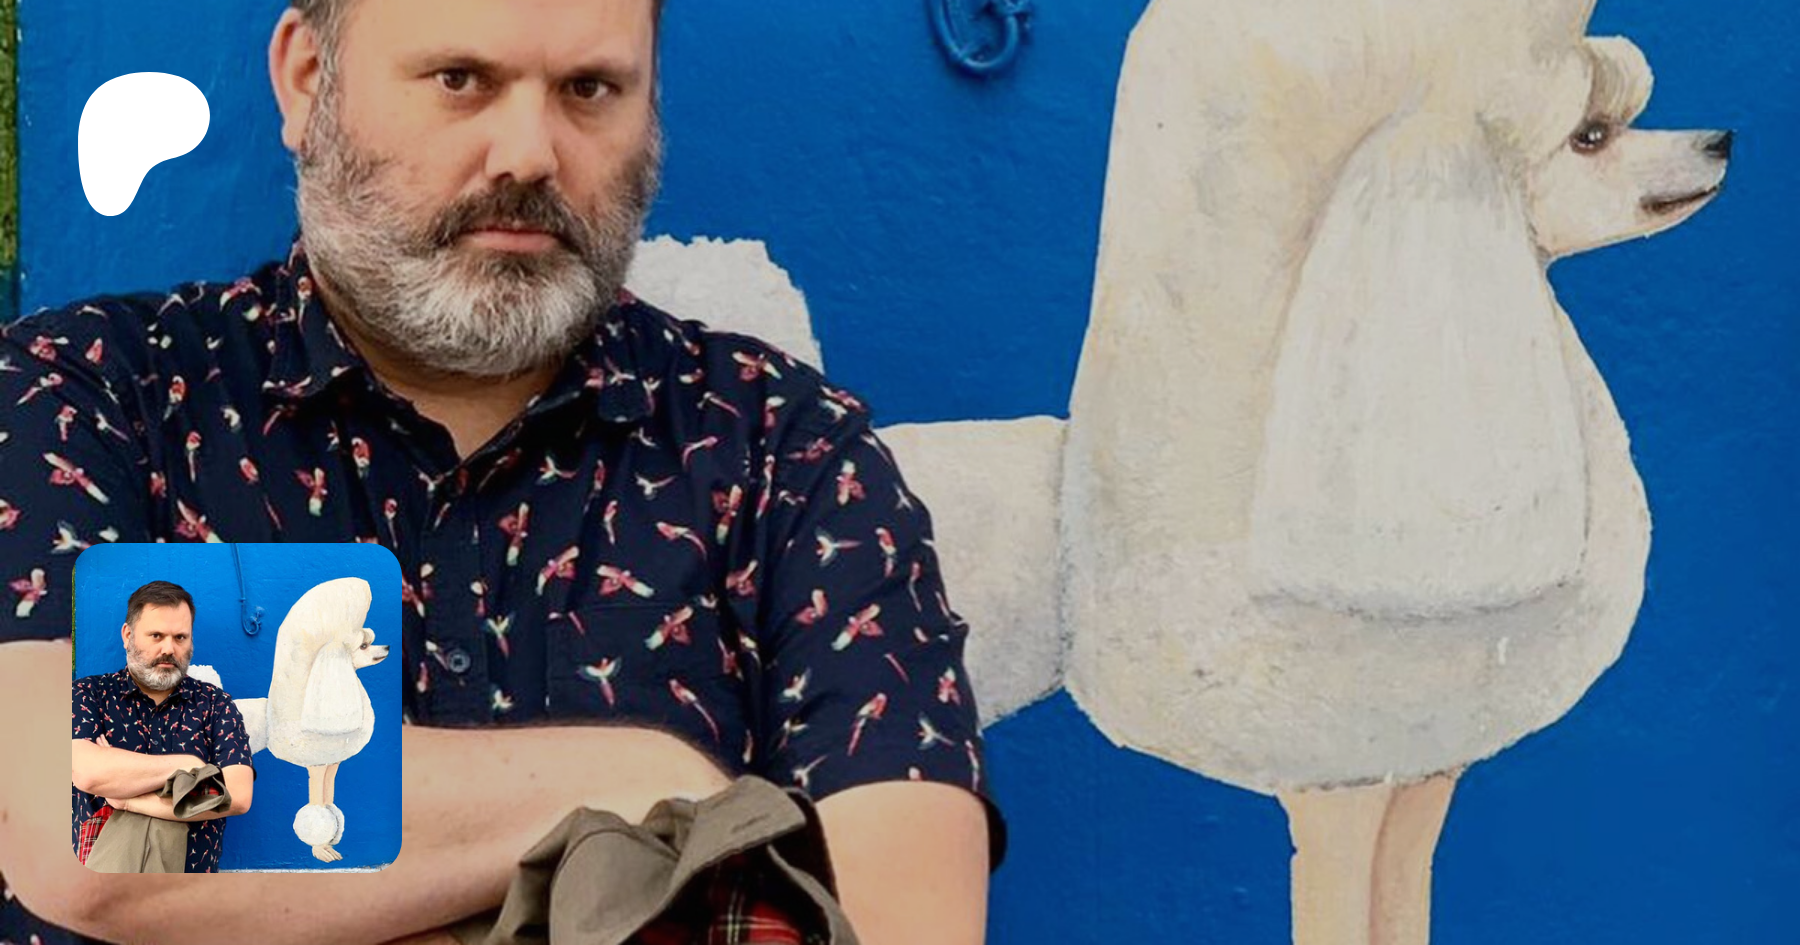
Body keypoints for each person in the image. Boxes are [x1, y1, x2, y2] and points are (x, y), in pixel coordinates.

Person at [0, 0, 998, 943]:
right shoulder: (92, 400)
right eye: (461, 79)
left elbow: (900, 921)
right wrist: (653, 789)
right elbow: (93, 828)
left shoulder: (786, 458)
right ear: (309, 79)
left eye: (589, 89)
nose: (529, 154)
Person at [69, 580, 256, 873]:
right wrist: (189, 766)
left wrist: (129, 801)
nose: (169, 648)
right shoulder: (86, 695)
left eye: (180, 637)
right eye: (156, 635)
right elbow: (88, 772)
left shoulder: (215, 705)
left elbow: (237, 796)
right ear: (128, 635)